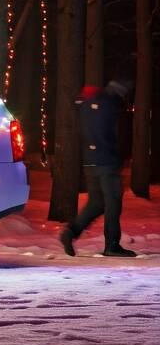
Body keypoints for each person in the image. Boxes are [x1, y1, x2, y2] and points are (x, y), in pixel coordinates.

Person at [59, 80, 137, 258]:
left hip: (90, 161)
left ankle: (70, 233)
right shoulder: (107, 104)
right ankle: (112, 245)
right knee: (113, 203)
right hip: (106, 162)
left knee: (96, 203)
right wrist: (116, 157)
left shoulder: (85, 105)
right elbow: (110, 135)